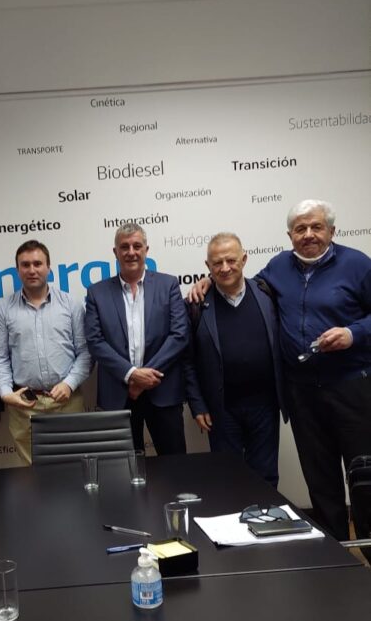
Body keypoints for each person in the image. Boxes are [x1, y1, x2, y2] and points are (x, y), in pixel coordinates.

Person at [189, 200, 371, 540]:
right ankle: (332, 548)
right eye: (300, 229)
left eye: (316, 227)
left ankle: (368, 547)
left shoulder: (357, 264)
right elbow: (236, 282)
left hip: (351, 387)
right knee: (319, 477)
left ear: (332, 230)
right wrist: (208, 280)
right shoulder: (278, 268)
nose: (308, 234)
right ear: (290, 235)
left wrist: (353, 333)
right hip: (302, 393)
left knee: (364, 474)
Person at [184, 233, 286, 486]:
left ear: (244, 259)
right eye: (217, 263)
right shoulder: (196, 305)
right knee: (227, 478)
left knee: (266, 475)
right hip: (221, 409)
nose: (225, 267)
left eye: (231, 260)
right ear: (208, 266)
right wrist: (197, 405)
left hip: (265, 406)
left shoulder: (267, 293)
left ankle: (266, 512)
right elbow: (187, 361)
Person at [84, 222, 189, 454]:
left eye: (137, 246)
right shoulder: (97, 293)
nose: (131, 252)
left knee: (176, 466)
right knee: (125, 469)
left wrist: (143, 379)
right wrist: (131, 374)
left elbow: (180, 335)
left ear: (146, 250)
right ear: (115, 252)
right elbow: (95, 341)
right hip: (118, 394)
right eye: (124, 247)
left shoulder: (168, 285)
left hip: (162, 390)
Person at [0, 239, 91, 464]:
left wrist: (69, 384)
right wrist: (5, 393)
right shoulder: (4, 310)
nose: (32, 270)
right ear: (17, 270)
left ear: (49, 267)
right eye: (25, 265)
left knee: (74, 468)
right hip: (24, 405)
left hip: (67, 402)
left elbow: (85, 352)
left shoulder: (70, 305)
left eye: (37, 263)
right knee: (31, 473)